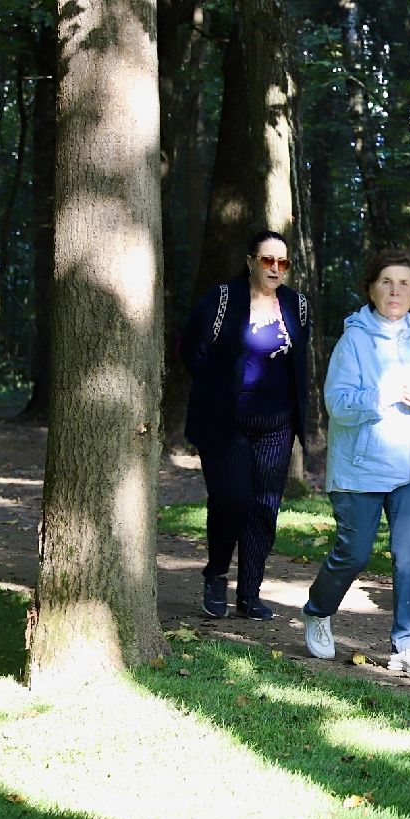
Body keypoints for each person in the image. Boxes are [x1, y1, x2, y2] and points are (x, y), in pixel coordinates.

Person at [299, 249, 410, 674]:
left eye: (404, 282)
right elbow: (338, 405)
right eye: (386, 281)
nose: (395, 290)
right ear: (370, 288)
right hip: (359, 468)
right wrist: (386, 393)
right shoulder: (354, 340)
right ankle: (317, 609)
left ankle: (406, 645)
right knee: (354, 553)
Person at [180, 229, 310, 620]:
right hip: (227, 421)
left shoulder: (296, 305)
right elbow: (190, 349)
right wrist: (217, 390)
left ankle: (250, 594)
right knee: (233, 499)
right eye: (267, 260)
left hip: (277, 424)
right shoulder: (223, 298)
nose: (275, 268)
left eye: (282, 262)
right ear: (251, 261)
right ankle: (216, 574)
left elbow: (299, 363)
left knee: (264, 508)